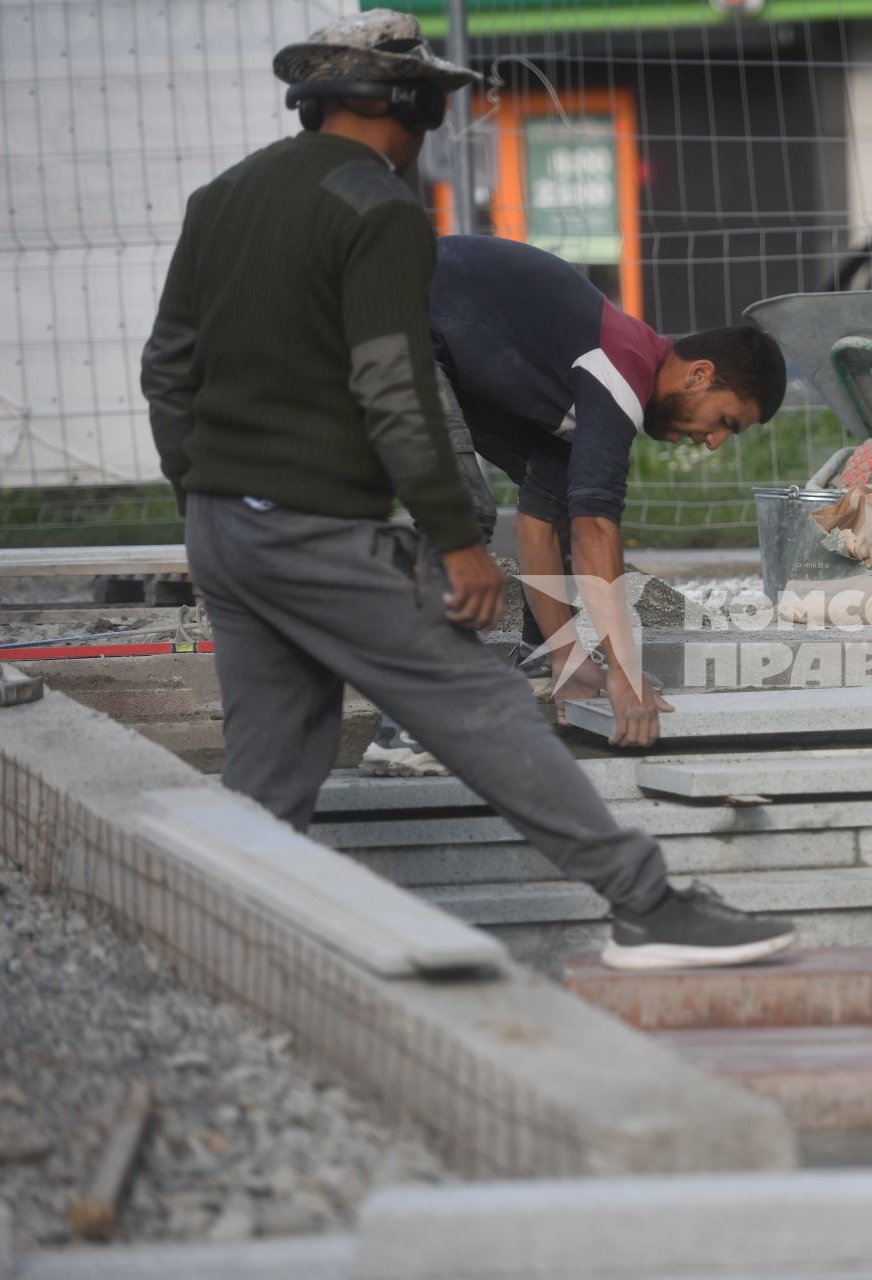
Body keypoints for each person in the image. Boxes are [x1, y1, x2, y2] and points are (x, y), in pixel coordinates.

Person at [139, 9, 795, 970]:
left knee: (273, 764)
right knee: (483, 702)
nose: (426, 134)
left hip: (222, 530)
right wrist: (453, 539)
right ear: (393, 107)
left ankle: (207, 955)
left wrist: (204, 491)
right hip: (317, 529)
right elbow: (394, 380)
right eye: (427, 111)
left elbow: (168, 368)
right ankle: (647, 905)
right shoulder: (380, 210)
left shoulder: (220, 198)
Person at [362, 236, 787, 775]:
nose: (713, 442)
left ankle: (545, 659)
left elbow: (542, 523)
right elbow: (595, 531)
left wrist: (568, 654)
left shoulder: (591, 377)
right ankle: (407, 732)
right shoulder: (618, 370)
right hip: (385, 323)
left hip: (437, 336)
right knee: (460, 513)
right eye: (725, 421)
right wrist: (625, 669)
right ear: (699, 374)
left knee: (558, 501)